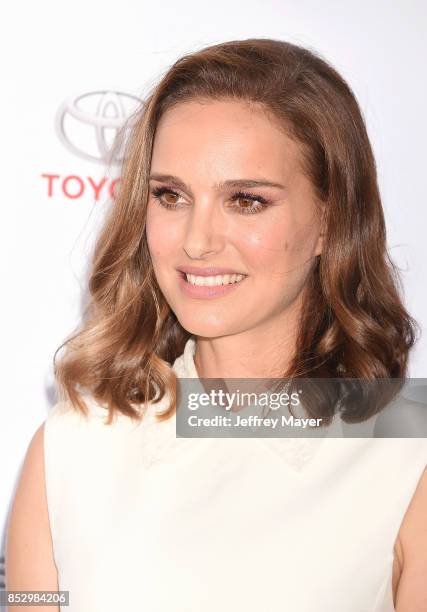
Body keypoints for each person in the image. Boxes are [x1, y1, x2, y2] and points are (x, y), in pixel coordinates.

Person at [5, 38, 427, 611]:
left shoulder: (406, 457)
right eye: (171, 195)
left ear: (331, 220)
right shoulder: (71, 445)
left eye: (247, 200)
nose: (197, 242)